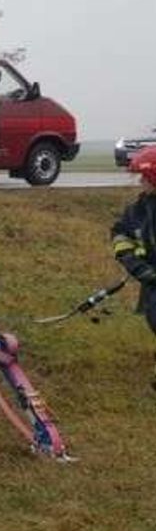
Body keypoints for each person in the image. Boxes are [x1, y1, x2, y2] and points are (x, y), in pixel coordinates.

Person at [111, 146, 156, 388]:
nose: (140, 181)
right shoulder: (138, 210)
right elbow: (120, 235)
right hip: (151, 282)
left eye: (145, 176)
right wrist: (135, 265)